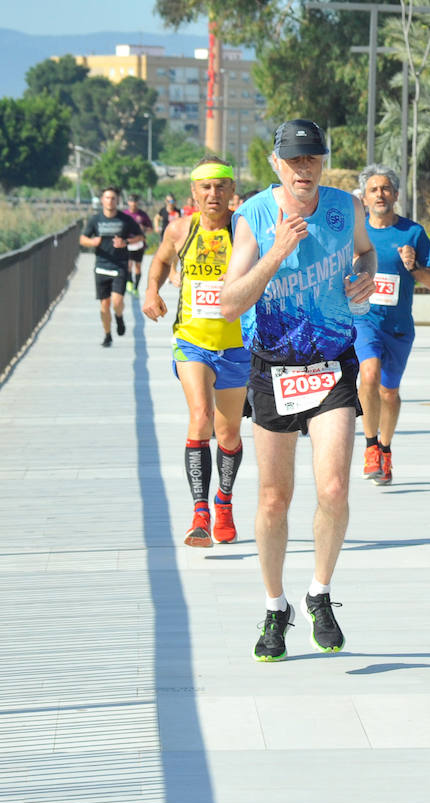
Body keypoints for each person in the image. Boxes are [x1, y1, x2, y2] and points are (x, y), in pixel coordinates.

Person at [220, 119, 378, 663]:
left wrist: (363, 274)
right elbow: (229, 302)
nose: (303, 168)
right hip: (273, 368)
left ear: (322, 162)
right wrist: (276, 252)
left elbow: (365, 253)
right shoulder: (255, 218)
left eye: (312, 158)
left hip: (332, 363)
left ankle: (320, 593)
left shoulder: (344, 208)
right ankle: (274, 605)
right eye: (293, 160)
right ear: (275, 164)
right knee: (273, 498)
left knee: (333, 488)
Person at [142, 156, 249, 549]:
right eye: (205, 187)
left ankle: (224, 502)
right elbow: (159, 260)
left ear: (231, 190)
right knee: (200, 416)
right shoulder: (179, 229)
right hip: (191, 342)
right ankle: (200, 512)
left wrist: (240, 279)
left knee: (229, 433)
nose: (213, 194)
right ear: (193, 192)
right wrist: (151, 290)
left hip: (237, 345)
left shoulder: (244, 229)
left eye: (220, 186)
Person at [354, 164, 430, 485]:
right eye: (374, 189)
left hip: (399, 326)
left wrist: (413, 264)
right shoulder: (356, 231)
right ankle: (370, 446)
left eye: (386, 189)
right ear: (364, 196)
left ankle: (385, 449)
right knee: (369, 375)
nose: (380, 194)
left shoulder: (412, 233)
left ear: (396, 195)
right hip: (364, 320)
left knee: (389, 393)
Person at [79, 187, 145, 348]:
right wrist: (92, 242)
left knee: (117, 301)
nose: (110, 201)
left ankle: (119, 316)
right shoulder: (95, 220)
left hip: (120, 265)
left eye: (113, 198)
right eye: (107, 198)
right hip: (101, 265)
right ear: (102, 200)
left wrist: (126, 242)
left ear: (117, 201)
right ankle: (107, 335)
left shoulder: (125, 220)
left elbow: (140, 237)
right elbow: (83, 239)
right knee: (104, 305)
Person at [122, 193, 155, 299]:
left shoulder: (142, 215)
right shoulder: (124, 214)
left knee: (137, 267)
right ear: (128, 202)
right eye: (131, 201)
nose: (133, 204)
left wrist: (143, 228)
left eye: (135, 202)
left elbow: (151, 229)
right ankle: (129, 282)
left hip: (139, 244)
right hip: (127, 243)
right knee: (128, 265)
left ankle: (136, 287)